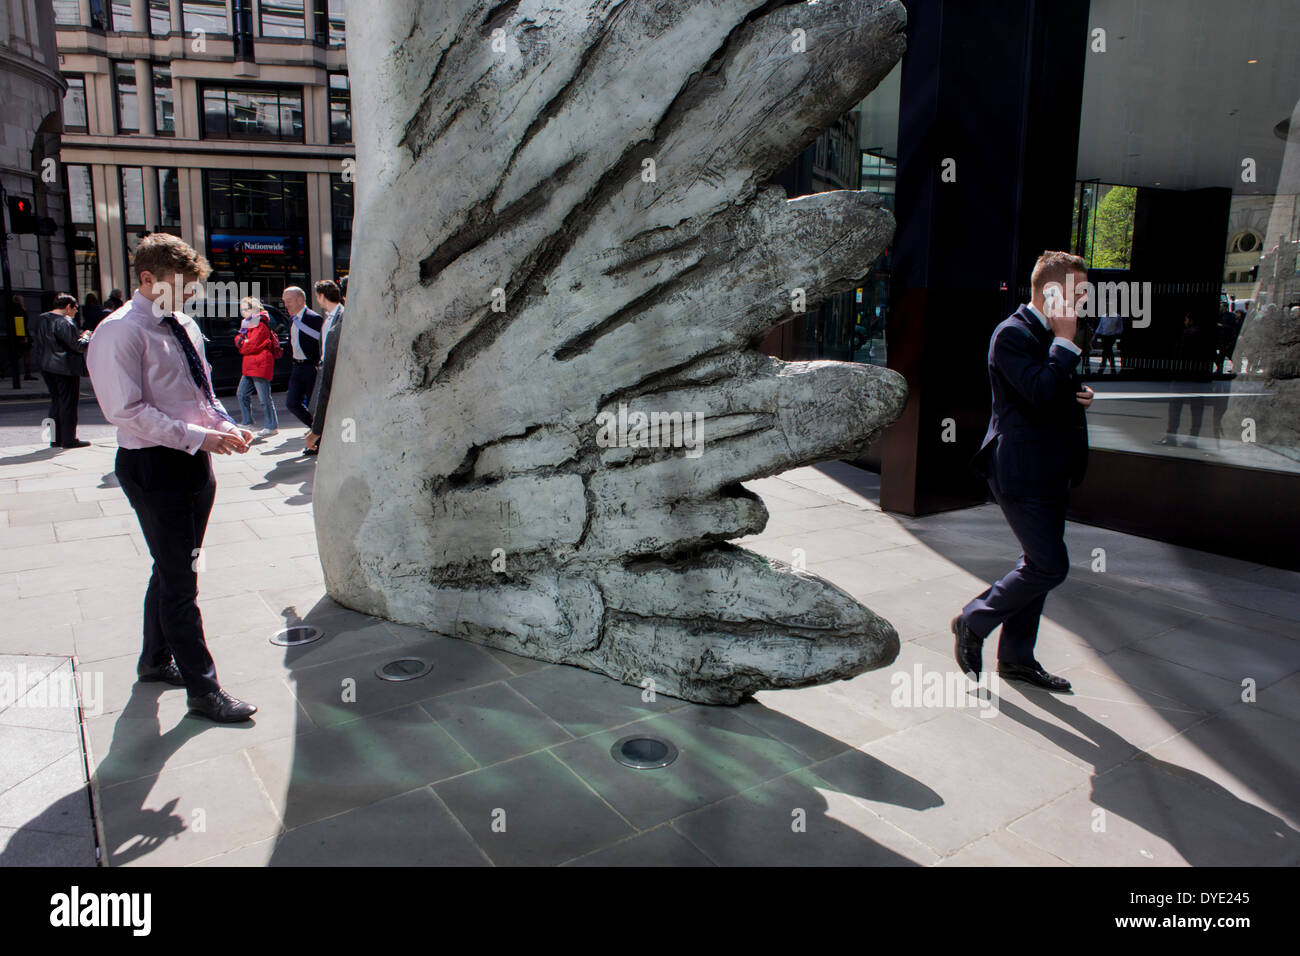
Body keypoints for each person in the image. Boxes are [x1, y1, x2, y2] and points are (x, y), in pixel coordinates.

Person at [85, 233, 258, 723]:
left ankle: (154, 660)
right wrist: (198, 436)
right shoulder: (119, 331)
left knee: (172, 567)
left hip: (193, 461)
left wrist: (225, 426)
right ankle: (203, 690)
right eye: (179, 287)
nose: (187, 297)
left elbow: (202, 392)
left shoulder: (183, 323)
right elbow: (126, 411)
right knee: (181, 581)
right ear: (146, 279)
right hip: (153, 466)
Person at [953, 251, 1095, 693]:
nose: (1083, 303)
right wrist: (1066, 346)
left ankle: (1016, 658)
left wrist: (1078, 395)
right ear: (1050, 292)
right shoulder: (1011, 334)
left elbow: (1051, 392)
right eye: (1078, 294)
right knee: (1050, 566)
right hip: (1019, 469)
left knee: (1036, 563)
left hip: (1052, 468)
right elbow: (1035, 391)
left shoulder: (1053, 333)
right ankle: (974, 619)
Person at [32, 294, 92, 448]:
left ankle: (55, 439)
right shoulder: (65, 321)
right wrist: (86, 336)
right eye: (75, 308)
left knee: (56, 401)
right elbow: (77, 346)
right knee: (68, 403)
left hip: (46, 367)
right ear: (67, 307)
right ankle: (69, 439)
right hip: (65, 368)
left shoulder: (42, 319)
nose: (76, 311)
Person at [305, 280, 346, 455]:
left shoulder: (341, 321)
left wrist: (315, 432)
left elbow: (327, 386)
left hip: (339, 377)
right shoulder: (331, 319)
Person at [234, 296, 280, 438]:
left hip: (259, 363)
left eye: (245, 309)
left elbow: (250, 345)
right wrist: (243, 342)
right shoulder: (248, 324)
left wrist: (242, 342)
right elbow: (241, 341)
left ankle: (271, 426)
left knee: (264, 398)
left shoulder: (260, 323)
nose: (242, 312)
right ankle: (248, 421)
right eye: (241, 309)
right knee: (241, 393)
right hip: (250, 364)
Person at [281, 285, 323, 432]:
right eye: (284, 301)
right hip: (297, 367)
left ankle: (317, 438)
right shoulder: (292, 320)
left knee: (314, 405)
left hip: (311, 367)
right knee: (292, 403)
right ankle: (317, 431)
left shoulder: (314, 318)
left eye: (289, 301)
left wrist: (318, 362)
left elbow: (322, 342)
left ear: (300, 300)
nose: (286, 305)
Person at [10, 295, 38, 381]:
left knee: (20, 354)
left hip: (18, 334)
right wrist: (22, 337)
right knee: (26, 354)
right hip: (22, 334)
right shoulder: (19, 310)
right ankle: (27, 373)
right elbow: (20, 323)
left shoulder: (13, 310)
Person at [1094, 308, 1122, 374]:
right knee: (1108, 352)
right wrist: (1096, 334)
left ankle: (1102, 369)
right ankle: (1112, 369)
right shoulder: (1103, 317)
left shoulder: (1117, 317)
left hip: (1111, 336)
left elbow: (1120, 328)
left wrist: (1116, 334)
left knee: (1106, 351)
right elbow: (1100, 327)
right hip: (1104, 336)